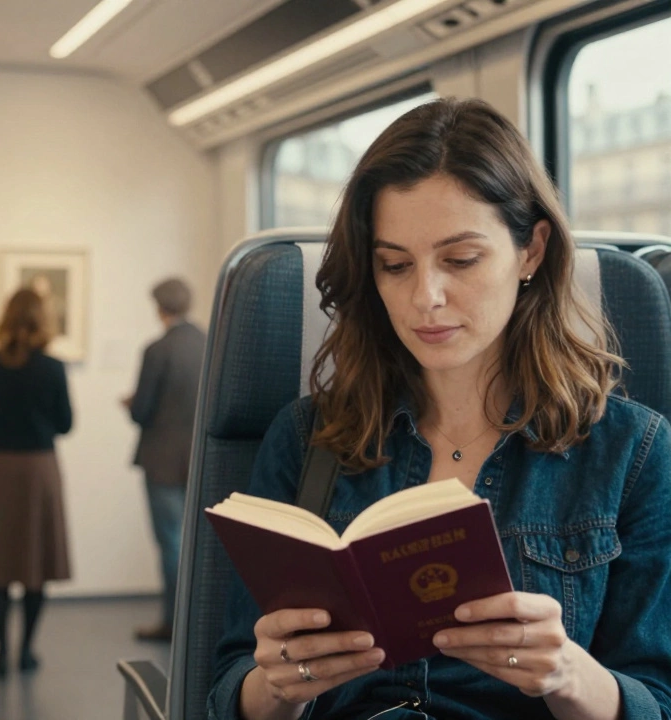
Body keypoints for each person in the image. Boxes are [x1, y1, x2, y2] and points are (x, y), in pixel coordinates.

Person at [210, 97, 671, 719]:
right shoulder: (306, 438)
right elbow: (229, 689)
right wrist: (277, 687)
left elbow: (656, 702)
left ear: (531, 251)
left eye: (460, 260)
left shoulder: (632, 453)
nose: (425, 296)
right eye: (395, 265)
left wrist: (568, 675)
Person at [0, 289, 73, 678]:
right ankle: (26, 650)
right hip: (38, 471)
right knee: (35, 563)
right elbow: (65, 423)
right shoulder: (53, 367)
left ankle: (0, 652)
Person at [123, 278, 205, 642]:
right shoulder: (208, 343)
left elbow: (141, 410)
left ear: (159, 307)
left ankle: (173, 622)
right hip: (200, 459)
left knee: (170, 543)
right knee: (198, 542)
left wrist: (131, 403)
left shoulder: (157, 349)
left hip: (162, 460)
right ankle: (197, 623)